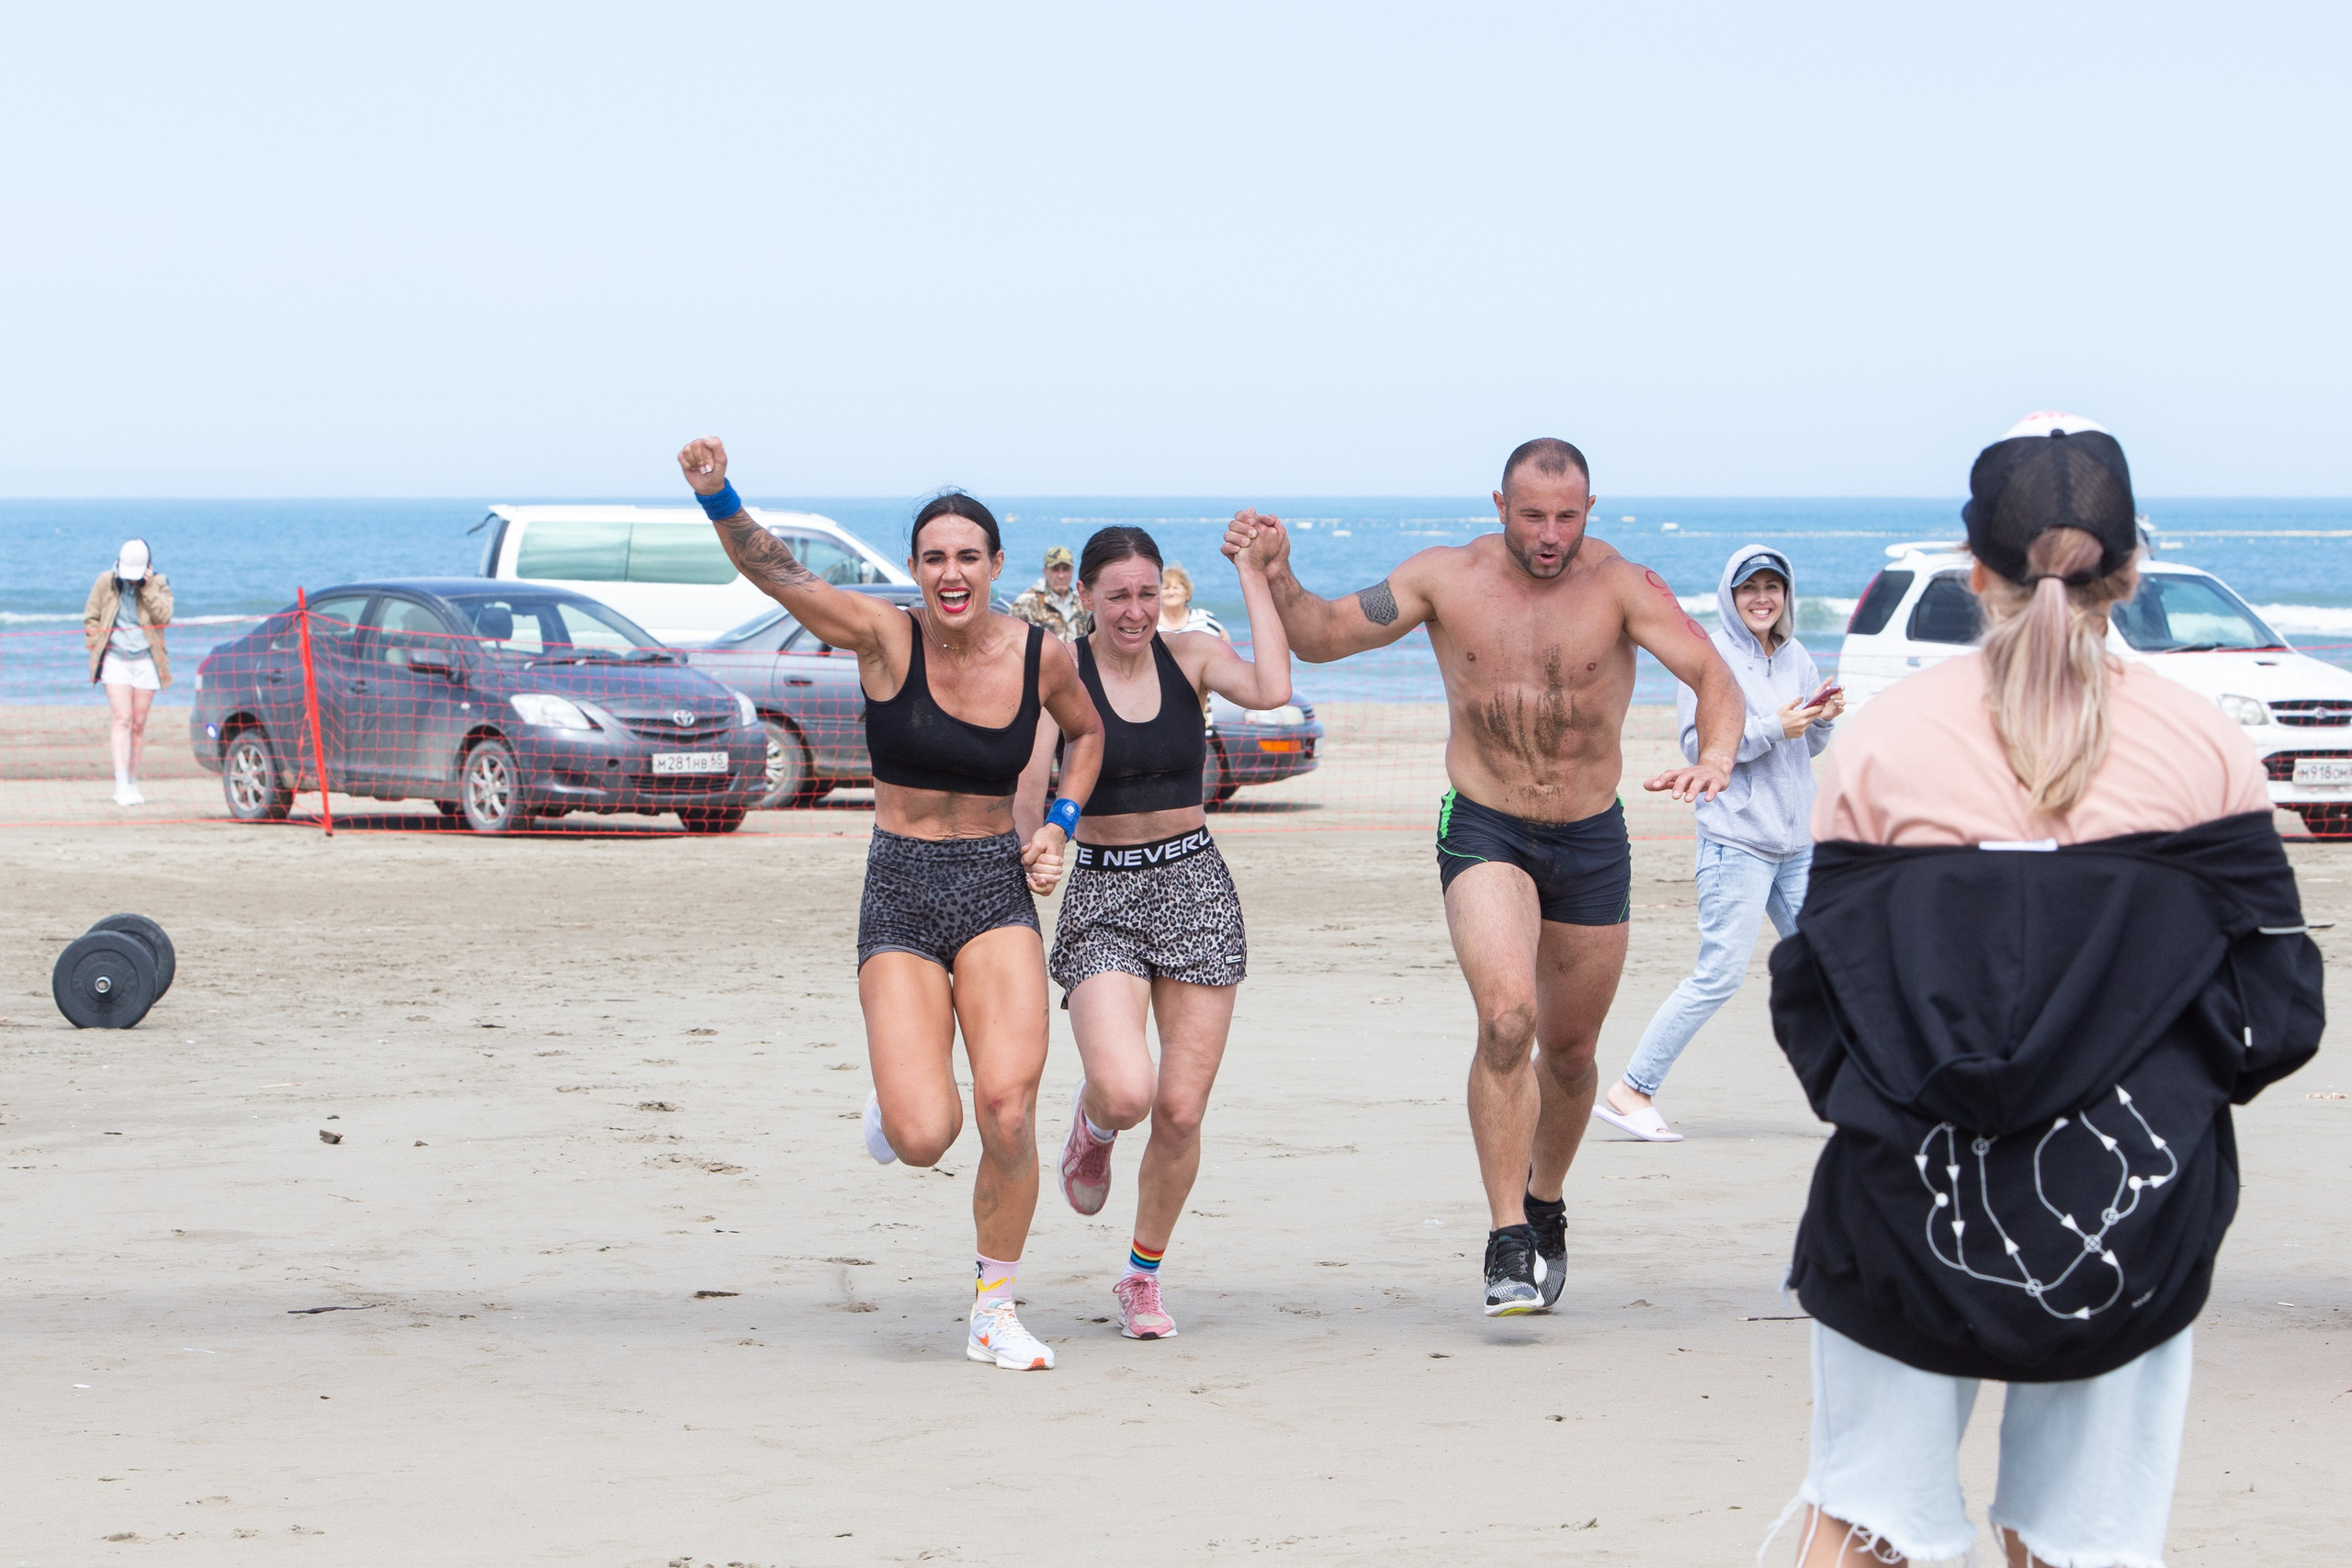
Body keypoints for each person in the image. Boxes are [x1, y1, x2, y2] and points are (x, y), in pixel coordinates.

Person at [1765, 415, 2321, 1567]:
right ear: (2128, 574)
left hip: (1903, 1189)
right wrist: (2151, 1078)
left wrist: (1901, 1104)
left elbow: (1812, 986)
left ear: (1975, 574)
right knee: (2081, 1544)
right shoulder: (2203, 747)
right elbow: (2276, 1002)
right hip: (2133, 1205)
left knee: (1862, 1522)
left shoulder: (1878, 743)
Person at [1232, 438, 1742, 1316]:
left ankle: (1545, 1204)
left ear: (1590, 510)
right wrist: (1279, 575)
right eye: (1533, 514)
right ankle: (1507, 1237)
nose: (1550, 534)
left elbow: (1712, 673)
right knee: (1509, 1018)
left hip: (1591, 837)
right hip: (1485, 825)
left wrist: (1721, 755)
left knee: (1573, 1055)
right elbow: (1318, 636)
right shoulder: (1443, 579)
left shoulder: (1622, 586)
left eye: (1568, 516)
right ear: (1499, 503)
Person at [676, 436, 1104, 1372]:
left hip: (993, 883)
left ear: (995, 566)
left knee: (1006, 1108)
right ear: (915, 569)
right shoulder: (883, 636)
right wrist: (719, 495)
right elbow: (779, 572)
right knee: (923, 1136)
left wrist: (1059, 825)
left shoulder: (1042, 656)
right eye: (934, 557)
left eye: (968, 556)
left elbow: (1087, 734)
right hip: (902, 890)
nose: (951, 573)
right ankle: (894, 1091)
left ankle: (994, 1307)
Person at [1013, 521, 1290, 1341]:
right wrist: (1038, 846)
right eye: (1117, 596)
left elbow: (1273, 684)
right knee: (1129, 1091)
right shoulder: (1059, 673)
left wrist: (1250, 571)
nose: (1134, 611)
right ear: (1087, 598)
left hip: (1194, 884)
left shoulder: (1190, 656)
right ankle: (1092, 1125)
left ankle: (1141, 1274)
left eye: (1145, 593)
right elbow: (1032, 783)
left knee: (1178, 1112)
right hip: (1102, 891)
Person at [1595, 545, 1844, 1143]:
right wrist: (1768, 727)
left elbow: (1805, 747)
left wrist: (1822, 717)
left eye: (1773, 586)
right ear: (1731, 597)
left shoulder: (1796, 656)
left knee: (1837, 970)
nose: (1762, 597)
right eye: (1749, 587)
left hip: (1797, 845)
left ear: (1787, 595)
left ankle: (1860, 1100)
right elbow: (1694, 744)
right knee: (1719, 974)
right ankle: (1632, 1089)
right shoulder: (1708, 658)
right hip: (1737, 842)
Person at [83, 539, 173, 807]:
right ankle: (121, 782)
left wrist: (147, 589)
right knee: (122, 718)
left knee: (138, 723)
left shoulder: (159, 583)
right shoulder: (106, 581)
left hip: (147, 660)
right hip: (115, 659)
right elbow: (91, 616)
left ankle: (133, 781)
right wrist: (94, 643)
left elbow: (164, 617)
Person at [1012, 545, 1091, 640]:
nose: (1061, 575)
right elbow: (1012, 641)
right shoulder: (1026, 602)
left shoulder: (1082, 603)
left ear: (1072, 571)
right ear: (1045, 571)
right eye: (1055, 569)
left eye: (1065, 569)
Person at [1156, 562, 1230, 643]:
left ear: (1187, 592)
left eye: (1175, 588)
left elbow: (1225, 641)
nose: (1171, 592)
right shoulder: (1153, 623)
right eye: (1166, 588)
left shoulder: (1204, 618)